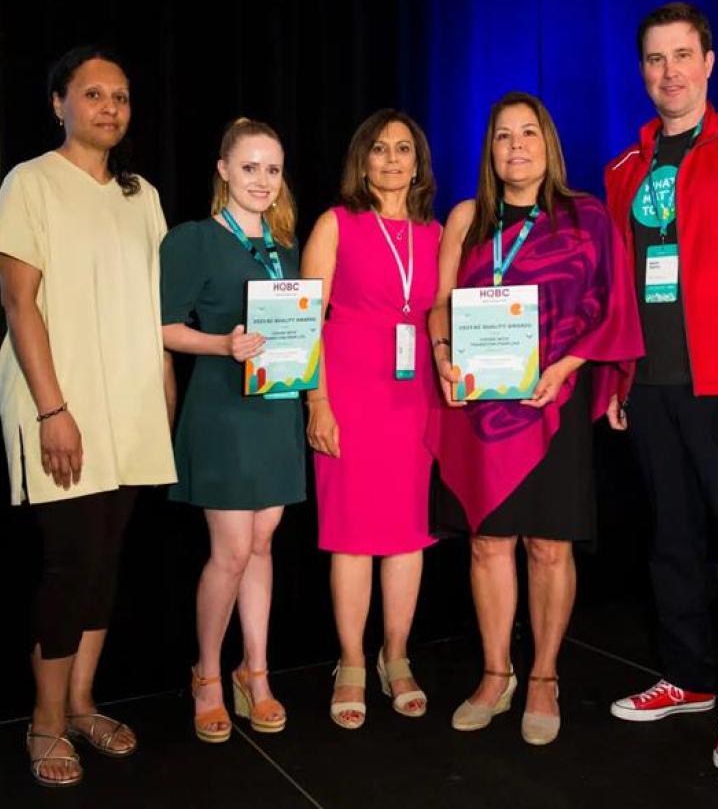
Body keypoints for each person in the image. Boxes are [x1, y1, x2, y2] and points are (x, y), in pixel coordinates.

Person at [427, 91, 642, 744]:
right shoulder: (467, 218)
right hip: (480, 404)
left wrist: (566, 368)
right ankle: (497, 674)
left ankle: (544, 675)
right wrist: (442, 355)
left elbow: (615, 307)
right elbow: (441, 304)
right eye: (502, 137)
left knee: (549, 546)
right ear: (488, 151)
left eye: (528, 133)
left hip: (551, 401)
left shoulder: (588, 217)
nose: (516, 147)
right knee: (489, 542)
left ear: (548, 143)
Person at [0, 46, 176, 787]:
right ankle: (42, 723)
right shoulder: (30, 183)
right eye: (94, 93)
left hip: (132, 407)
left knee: (105, 565)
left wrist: (165, 394)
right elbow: (19, 302)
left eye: (122, 97)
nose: (110, 107)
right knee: (69, 565)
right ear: (58, 103)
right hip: (62, 406)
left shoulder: (143, 196)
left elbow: (156, 309)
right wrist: (53, 410)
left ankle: (80, 705)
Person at [605, 2, 718, 774]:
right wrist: (619, 377)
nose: (668, 72)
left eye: (681, 56)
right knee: (671, 541)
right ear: (643, 71)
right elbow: (621, 291)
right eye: (654, 59)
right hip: (653, 386)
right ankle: (690, 677)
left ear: (708, 62)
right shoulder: (624, 169)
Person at [161, 118, 305, 742]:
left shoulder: (286, 244)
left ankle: (257, 672)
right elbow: (161, 327)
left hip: (275, 409)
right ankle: (207, 675)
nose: (262, 181)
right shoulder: (192, 239)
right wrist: (222, 344)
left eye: (272, 169)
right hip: (221, 409)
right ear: (223, 170)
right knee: (231, 550)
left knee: (264, 543)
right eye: (250, 167)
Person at [301, 109, 441, 729]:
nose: (391, 159)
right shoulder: (337, 223)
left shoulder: (436, 233)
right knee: (354, 535)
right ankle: (352, 661)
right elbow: (306, 319)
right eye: (379, 148)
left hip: (416, 400)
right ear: (362, 159)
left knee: (410, 533)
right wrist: (317, 402)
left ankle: (397, 654)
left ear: (418, 161)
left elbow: (444, 316)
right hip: (349, 395)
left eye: (403, 148)